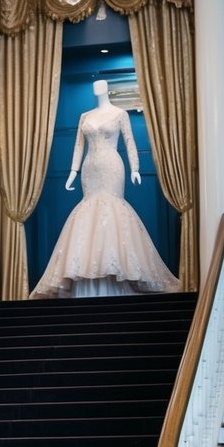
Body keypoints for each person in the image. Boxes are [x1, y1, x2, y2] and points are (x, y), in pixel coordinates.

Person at [31, 79, 180, 299]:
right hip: (89, 168)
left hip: (112, 166)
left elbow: (130, 142)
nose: (96, 88)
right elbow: (78, 146)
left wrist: (135, 169)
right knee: (89, 212)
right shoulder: (85, 116)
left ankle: (116, 275)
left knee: (112, 211)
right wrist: (73, 172)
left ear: (106, 89)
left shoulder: (120, 114)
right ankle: (88, 277)